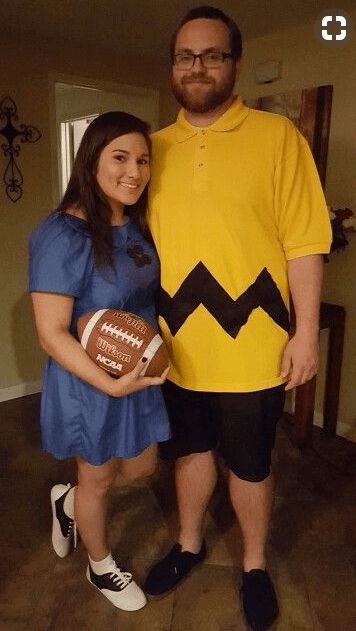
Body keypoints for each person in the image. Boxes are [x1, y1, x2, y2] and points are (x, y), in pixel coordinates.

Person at [144, 6, 332, 631]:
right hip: (175, 345)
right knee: (190, 452)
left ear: (236, 65)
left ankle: (253, 564)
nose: (197, 66)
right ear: (173, 66)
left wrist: (305, 332)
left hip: (254, 342)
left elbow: (305, 241)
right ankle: (190, 542)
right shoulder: (151, 151)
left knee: (252, 464)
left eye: (212, 55)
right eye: (185, 56)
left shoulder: (280, 139)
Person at [29, 111, 170, 611]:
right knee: (99, 479)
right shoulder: (62, 235)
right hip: (90, 381)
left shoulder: (135, 224)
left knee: (142, 467)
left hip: (135, 374)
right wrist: (108, 384)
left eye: (143, 160)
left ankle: (66, 501)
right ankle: (100, 566)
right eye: (120, 157)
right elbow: (51, 333)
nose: (135, 171)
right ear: (91, 160)